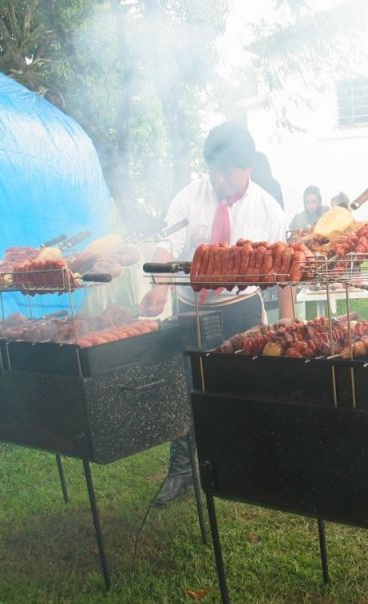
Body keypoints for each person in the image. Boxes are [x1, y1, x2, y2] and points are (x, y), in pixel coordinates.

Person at [140, 121, 293, 506]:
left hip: (239, 309)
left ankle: (247, 467)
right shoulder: (189, 197)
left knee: (240, 387)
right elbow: (166, 244)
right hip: (190, 310)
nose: (219, 179)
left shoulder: (267, 208)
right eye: (214, 169)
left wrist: (287, 321)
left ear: (248, 169)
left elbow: (287, 268)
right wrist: (158, 287)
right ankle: (180, 469)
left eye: (228, 171)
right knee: (185, 386)